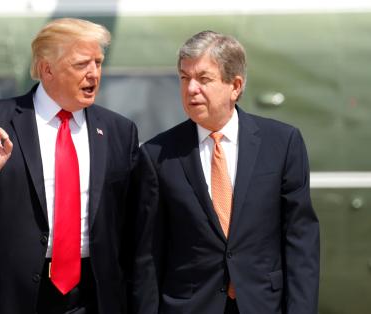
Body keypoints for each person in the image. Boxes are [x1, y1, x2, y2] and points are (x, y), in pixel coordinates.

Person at [0, 18, 139, 314]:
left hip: (93, 297)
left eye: (98, 62)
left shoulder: (119, 131)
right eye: (82, 64)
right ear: (48, 69)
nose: (94, 74)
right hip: (9, 295)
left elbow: (134, 221)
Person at [130, 30, 319, 314]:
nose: (191, 88)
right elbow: (147, 256)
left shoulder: (282, 143)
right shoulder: (158, 155)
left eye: (203, 79)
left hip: (263, 304)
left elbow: (300, 240)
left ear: (235, 85)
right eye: (184, 78)